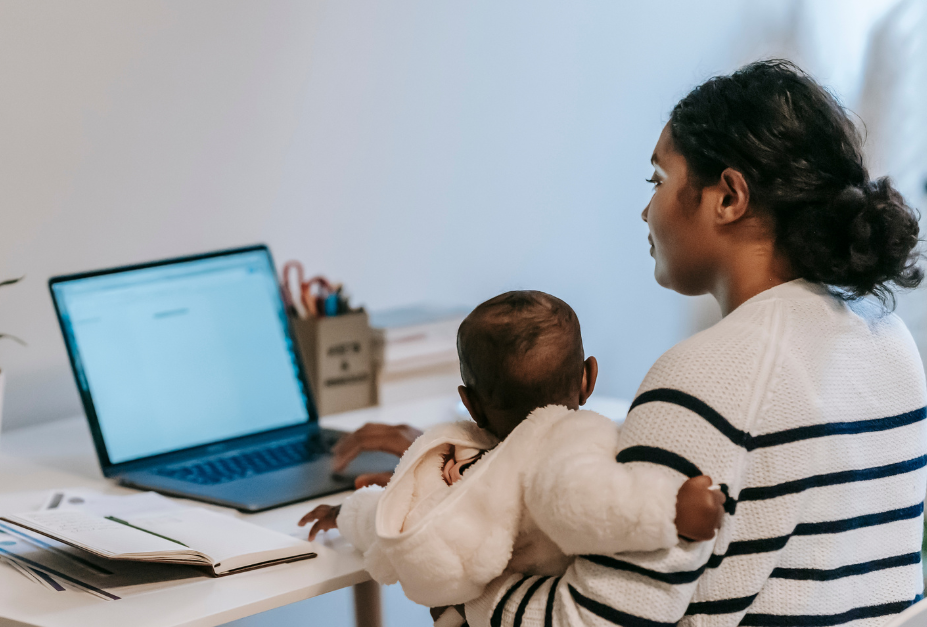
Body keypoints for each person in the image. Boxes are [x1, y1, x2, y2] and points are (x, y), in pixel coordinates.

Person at [455, 59, 927, 626]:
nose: (646, 209)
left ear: (728, 196)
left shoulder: (709, 371)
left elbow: (594, 620)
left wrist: (458, 584)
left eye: (658, 180)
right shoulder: (886, 337)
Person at [301, 291, 725, 616]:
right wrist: (671, 509)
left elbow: (396, 524)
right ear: (588, 378)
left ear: (470, 403)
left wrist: (347, 513)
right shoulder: (568, 441)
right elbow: (589, 504)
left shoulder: (459, 466)